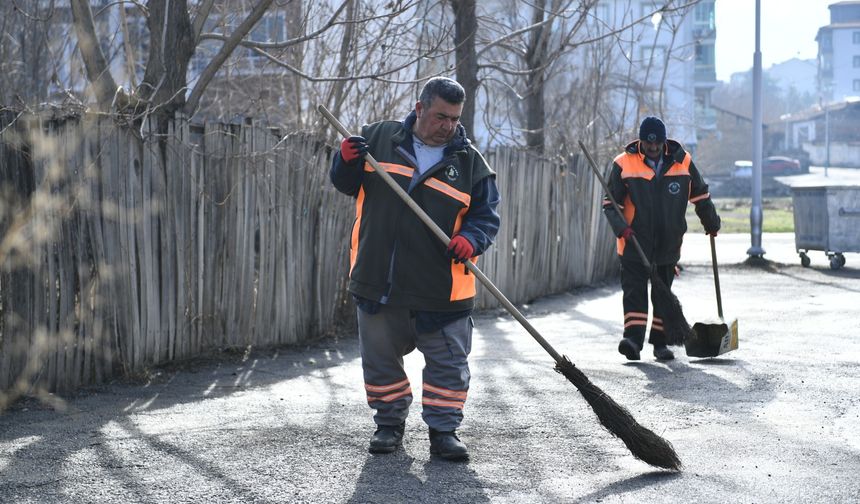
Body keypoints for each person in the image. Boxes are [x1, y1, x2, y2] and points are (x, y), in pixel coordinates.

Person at [329, 77, 501, 461]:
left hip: (443, 287)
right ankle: (389, 424)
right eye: (441, 116)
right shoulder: (378, 139)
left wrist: (471, 239)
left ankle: (444, 431)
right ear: (420, 108)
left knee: (448, 365)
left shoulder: (471, 164)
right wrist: (345, 159)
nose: (448, 126)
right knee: (381, 360)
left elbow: (487, 217)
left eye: (455, 119)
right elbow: (344, 182)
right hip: (380, 279)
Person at [602, 116, 720, 361]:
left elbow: (701, 195)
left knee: (662, 294)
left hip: (669, 243)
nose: (653, 148)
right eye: (648, 143)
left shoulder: (683, 162)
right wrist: (622, 228)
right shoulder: (623, 164)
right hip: (633, 242)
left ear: (664, 142)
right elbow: (610, 204)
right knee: (634, 293)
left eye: (657, 144)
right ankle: (632, 341)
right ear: (641, 141)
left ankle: (661, 343)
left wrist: (711, 222)